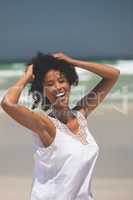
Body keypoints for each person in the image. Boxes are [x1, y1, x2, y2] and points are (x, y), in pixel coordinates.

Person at [1, 52, 120, 200]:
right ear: (42, 91)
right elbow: (8, 103)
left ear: (70, 82)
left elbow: (113, 75)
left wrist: (74, 62)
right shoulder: (45, 124)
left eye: (62, 80)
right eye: (50, 84)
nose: (58, 87)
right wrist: (27, 77)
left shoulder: (81, 115)